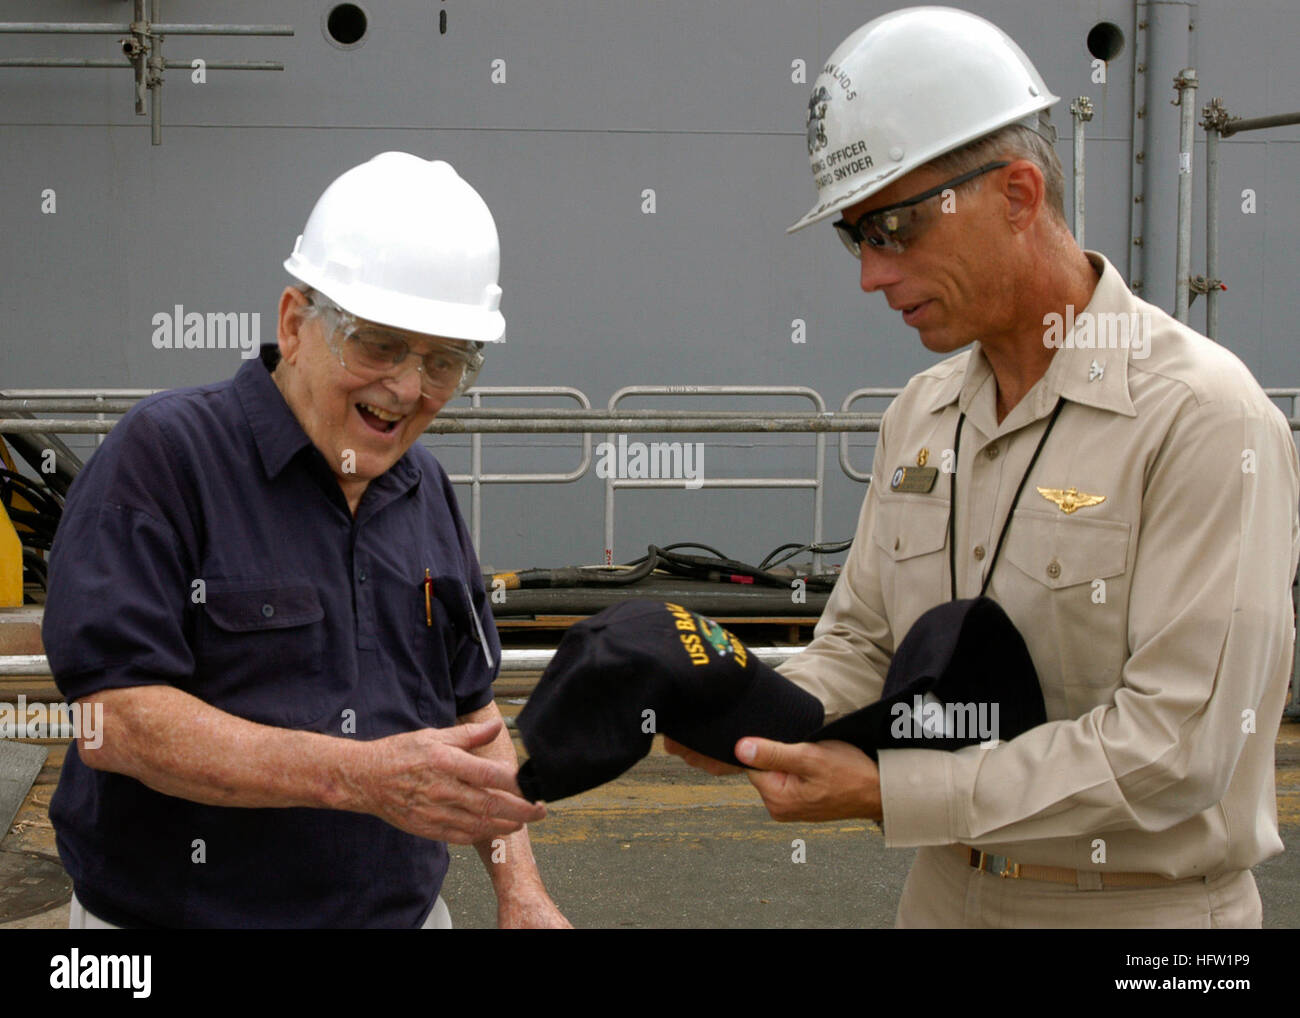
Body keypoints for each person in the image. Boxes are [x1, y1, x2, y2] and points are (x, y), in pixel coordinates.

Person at [667, 7, 1300, 928]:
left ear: (1015, 195)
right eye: (855, 236)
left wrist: (896, 790)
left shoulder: (1201, 417)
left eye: (892, 229)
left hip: (1145, 917)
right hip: (944, 896)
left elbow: (1179, 746)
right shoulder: (922, 416)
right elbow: (862, 646)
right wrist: (747, 714)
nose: (869, 277)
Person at [43, 152, 570, 929]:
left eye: (445, 361)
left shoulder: (423, 491)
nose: (406, 388)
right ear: (294, 324)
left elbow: (473, 716)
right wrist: (359, 777)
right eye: (380, 345)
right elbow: (115, 722)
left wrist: (519, 891)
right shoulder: (162, 458)